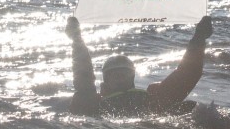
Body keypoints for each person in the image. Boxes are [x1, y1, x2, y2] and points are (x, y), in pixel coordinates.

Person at [65, 15, 213, 116]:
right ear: (106, 80)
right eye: (113, 74)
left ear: (132, 77)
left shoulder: (152, 99)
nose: (119, 76)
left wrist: (199, 37)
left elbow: (187, 74)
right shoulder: (95, 105)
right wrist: (76, 39)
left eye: (123, 73)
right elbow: (83, 74)